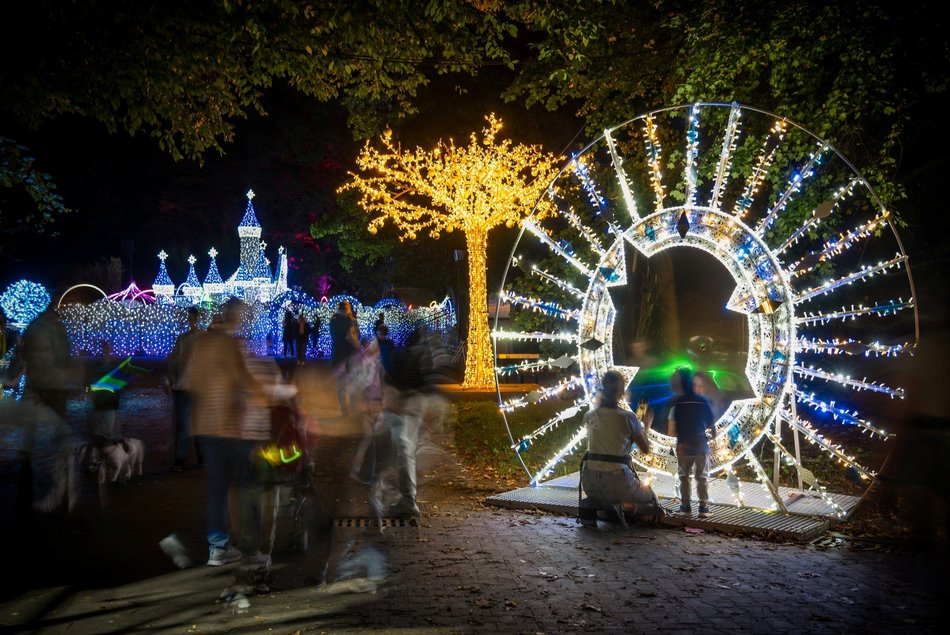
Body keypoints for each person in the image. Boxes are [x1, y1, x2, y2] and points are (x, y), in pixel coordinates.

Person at [184, 299, 267, 566]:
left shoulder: (201, 344)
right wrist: (267, 396)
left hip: (205, 426)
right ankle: (251, 550)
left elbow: (190, 381)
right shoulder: (230, 345)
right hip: (229, 427)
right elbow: (243, 378)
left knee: (217, 488)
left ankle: (217, 549)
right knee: (247, 485)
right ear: (235, 316)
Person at [578, 370, 661, 528]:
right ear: (621, 392)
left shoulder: (589, 415)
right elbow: (645, 449)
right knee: (650, 498)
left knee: (605, 497)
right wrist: (647, 424)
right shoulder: (628, 417)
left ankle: (601, 508)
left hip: (590, 482)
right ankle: (623, 509)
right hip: (619, 482)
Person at [666, 367, 716, 518]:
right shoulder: (702, 401)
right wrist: (711, 436)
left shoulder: (678, 403)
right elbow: (710, 423)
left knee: (684, 477)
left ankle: (686, 507)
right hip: (700, 444)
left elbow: (676, 428)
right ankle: (703, 508)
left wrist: (682, 441)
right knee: (702, 477)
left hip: (683, 445)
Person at [167, 307, 203, 472]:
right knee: (184, 424)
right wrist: (170, 380)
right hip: (183, 387)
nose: (189, 320)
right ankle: (181, 459)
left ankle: (198, 458)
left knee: (196, 423)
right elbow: (173, 362)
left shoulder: (203, 338)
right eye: (188, 317)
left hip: (195, 387)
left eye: (191, 317)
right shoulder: (182, 339)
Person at [85, 340, 121, 471]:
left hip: (105, 404)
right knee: (102, 434)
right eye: (105, 349)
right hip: (103, 404)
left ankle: (98, 460)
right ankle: (100, 460)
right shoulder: (108, 368)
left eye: (107, 349)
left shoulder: (103, 367)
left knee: (102, 434)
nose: (106, 352)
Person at [330, 301, 359, 416]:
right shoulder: (350, 320)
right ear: (347, 309)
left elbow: (333, 335)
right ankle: (353, 407)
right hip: (349, 355)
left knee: (340, 385)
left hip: (337, 355)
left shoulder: (333, 320)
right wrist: (359, 348)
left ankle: (344, 410)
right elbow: (351, 337)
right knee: (352, 382)